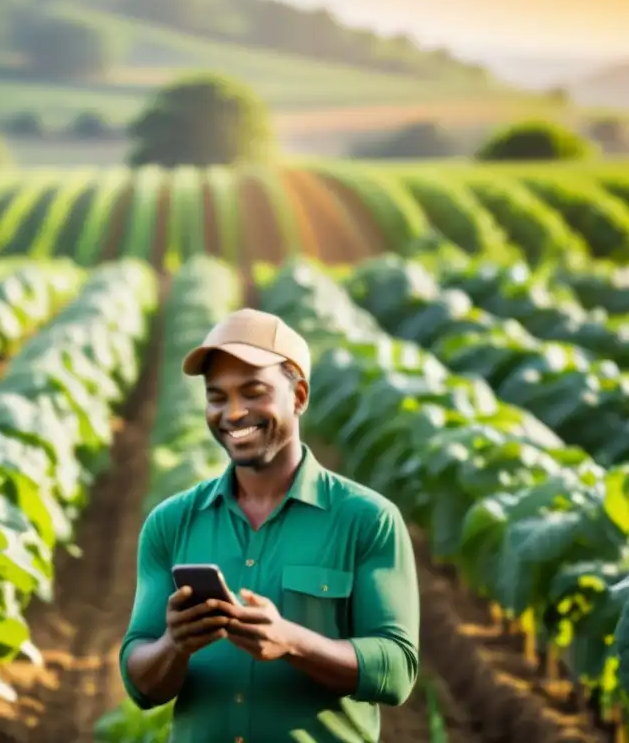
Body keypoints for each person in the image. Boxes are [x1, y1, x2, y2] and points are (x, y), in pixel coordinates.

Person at [117, 308, 420, 742]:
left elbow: (396, 670)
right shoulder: (172, 522)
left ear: (298, 396)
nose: (233, 413)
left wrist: (292, 642)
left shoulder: (368, 520)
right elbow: (141, 684)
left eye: (253, 392)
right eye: (217, 396)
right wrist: (174, 645)